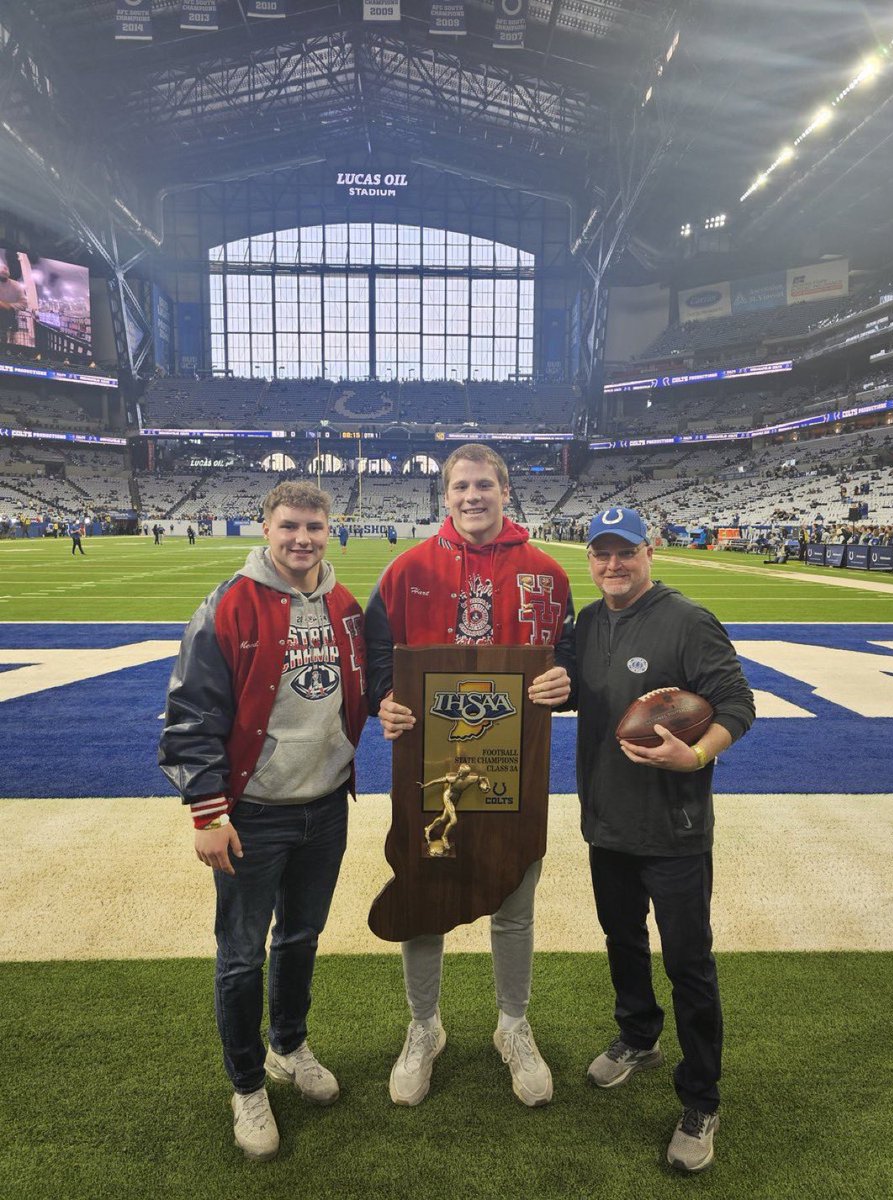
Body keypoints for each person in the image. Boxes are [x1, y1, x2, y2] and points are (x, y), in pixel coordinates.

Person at [158, 481, 368, 1162]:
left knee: (301, 937)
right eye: (289, 526)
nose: (302, 538)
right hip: (253, 811)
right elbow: (191, 714)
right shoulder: (229, 603)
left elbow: (367, 686)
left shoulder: (345, 605)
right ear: (265, 527)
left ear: (330, 530)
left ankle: (288, 1046)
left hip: (326, 804)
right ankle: (246, 1083)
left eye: (314, 526)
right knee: (242, 954)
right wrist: (208, 810)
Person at [365, 442, 574, 1110]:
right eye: (460, 486)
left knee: (514, 903)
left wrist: (566, 682)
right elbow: (375, 655)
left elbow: (569, 658)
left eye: (484, 485)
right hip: (428, 767)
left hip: (515, 768)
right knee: (423, 895)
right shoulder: (406, 570)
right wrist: (383, 699)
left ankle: (513, 1023)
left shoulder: (547, 572)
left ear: (505, 491)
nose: (472, 496)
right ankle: (424, 1025)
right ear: (446, 494)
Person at [571, 507, 755, 1174]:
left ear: (649, 551)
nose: (613, 564)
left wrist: (696, 755)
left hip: (674, 828)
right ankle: (638, 1035)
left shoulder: (687, 620)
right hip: (607, 821)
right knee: (622, 939)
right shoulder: (587, 623)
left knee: (688, 963)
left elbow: (738, 704)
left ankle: (701, 1098)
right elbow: (570, 694)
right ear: (590, 560)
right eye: (602, 553)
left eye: (625, 551)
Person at [0, 260, 27, 344]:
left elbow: (24, 304)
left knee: (11, 341)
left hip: (11, 319)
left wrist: (7, 305)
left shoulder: (16, 285)